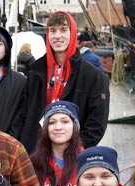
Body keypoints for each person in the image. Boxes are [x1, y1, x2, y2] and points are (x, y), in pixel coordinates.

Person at [20, 11, 109, 154]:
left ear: (72, 33)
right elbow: (24, 114)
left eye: (63, 30)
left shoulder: (93, 77)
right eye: (52, 31)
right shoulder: (35, 72)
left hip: (71, 157)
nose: (57, 36)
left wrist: (73, 150)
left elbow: (96, 123)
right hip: (36, 154)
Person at [29, 101, 84, 186]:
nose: (58, 127)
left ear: (74, 126)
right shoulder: (32, 164)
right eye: (52, 122)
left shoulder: (87, 163)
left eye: (65, 121)